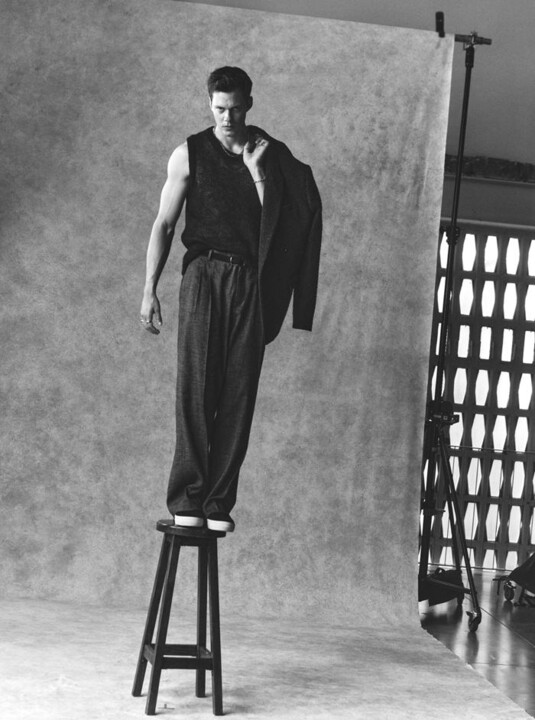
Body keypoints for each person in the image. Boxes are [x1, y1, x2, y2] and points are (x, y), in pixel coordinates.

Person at [140, 66, 322, 533]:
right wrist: (149, 289)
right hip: (204, 275)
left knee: (239, 391)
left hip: (252, 281)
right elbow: (164, 224)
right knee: (196, 387)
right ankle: (188, 496)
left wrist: (257, 174)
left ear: (249, 105)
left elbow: (288, 221)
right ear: (210, 104)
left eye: (236, 109)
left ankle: (218, 502)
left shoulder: (271, 154)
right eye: (220, 108)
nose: (227, 118)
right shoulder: (189, 153)